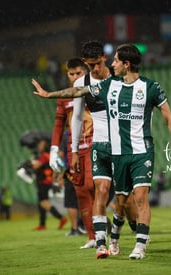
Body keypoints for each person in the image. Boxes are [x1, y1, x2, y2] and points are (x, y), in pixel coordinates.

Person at [32, 43, 171, 260]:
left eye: (115, 60)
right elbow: (78, 92)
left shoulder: (149, 87)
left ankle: (139, 245)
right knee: (119, 200)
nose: (111, 64)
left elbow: (169, 119)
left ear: (125, 64)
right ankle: (109, 239)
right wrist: (49, 94)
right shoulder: (110, 85)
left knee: (139, 197)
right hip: (114, 151)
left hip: (141, 150)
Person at [70, 40, 138, 258]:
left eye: (98, 64)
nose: (96, 69)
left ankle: (138, 229)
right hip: (99, 145)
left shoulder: (119, 79)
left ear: (105, 58)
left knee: (124, 201)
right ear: (85, 63)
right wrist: (73, 150)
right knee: (100, 190)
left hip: (123, 147)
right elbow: (77, 117)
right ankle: (101, 244)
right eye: (91, 66)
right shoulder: (82, 82)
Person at [49, 57, 90, 240]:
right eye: (71, 74)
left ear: (85, 72)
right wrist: (54, 148)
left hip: (95, 145)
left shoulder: (93, 90)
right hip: (74, 149)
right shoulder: (64, 97)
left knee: (96, 187)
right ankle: (90, 233)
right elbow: (59, 123)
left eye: (78, 73)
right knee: (79, 190)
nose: (74, 77)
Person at [31, 138, 67, 231]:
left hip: (43, 182)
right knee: (40, 203)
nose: (39, 146)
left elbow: (36, 166)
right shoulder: (47, 156)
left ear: (45, 146)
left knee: (44, 202)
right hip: (44, 181)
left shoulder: (44, 156)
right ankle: (42, 224)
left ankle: (61, 218)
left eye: (41, 144)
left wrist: (30, 163)